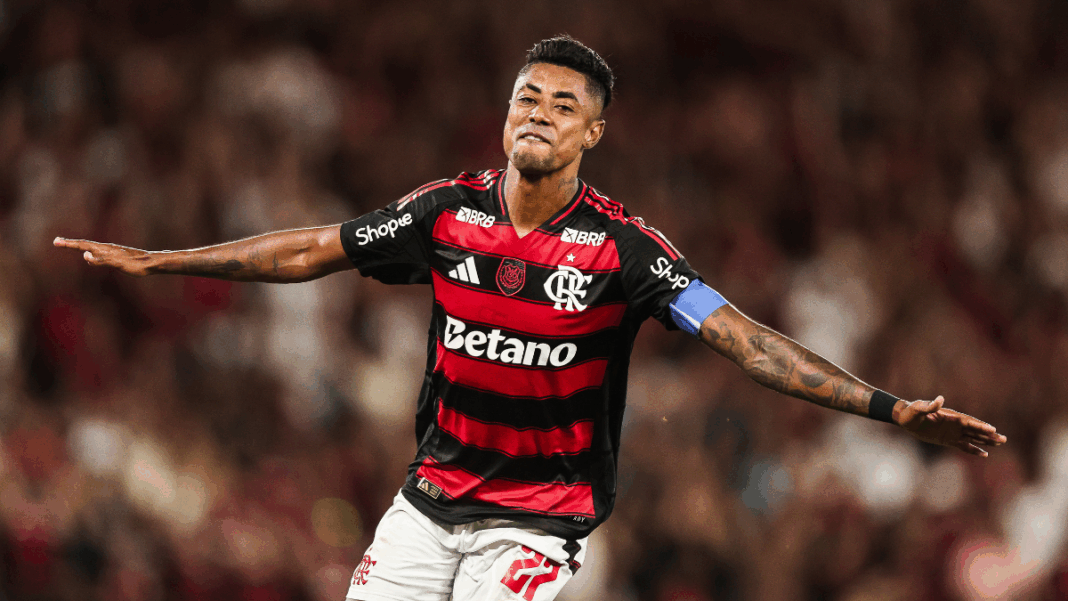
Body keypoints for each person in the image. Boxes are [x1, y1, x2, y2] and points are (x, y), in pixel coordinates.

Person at [55, 35, 1006, 601]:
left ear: (594, 133)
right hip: (426, 506)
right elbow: (313, 248)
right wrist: (165, 260)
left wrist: (889, 409)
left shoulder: (627, 251)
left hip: (533, 525)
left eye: (563, 104)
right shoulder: (446, 211)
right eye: (525, 97)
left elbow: (745, 339)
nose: (537, 113)